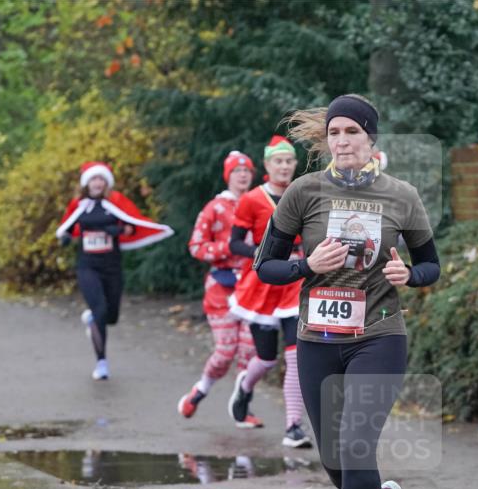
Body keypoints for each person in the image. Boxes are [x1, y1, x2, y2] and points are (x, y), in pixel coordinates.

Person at [254, 94, 440, 489]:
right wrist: (306, 266)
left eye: (352, 132)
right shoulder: (303, 192)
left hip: (378, 337)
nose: (342, 141)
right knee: (336, 462)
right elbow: (265, 265)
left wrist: (409, 274)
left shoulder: (401, 195)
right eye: (334, 132)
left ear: (370, 138)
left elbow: (431, 264)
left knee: (357, 446)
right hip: (317, 340)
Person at [226, 136, 311, 448]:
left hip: (296, 279)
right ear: (267, 165)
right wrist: (261, 255)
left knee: (296, 354)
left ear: (295, 164)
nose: (284, 166)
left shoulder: (304, 194)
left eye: (289, 161)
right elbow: (234, 243)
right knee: (266, 359)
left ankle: (293, 426)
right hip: (262, 282)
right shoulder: (252, 199)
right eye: (278, 161)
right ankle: (245, 386)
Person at [55, 161, 173, 380]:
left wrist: (116, 230)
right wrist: (65, 238)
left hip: (112, 266)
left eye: (101, 179)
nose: (97, 183)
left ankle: (92, 319)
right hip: (87, 266)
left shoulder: (116, 202)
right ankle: (101, 362)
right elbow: (68, 228)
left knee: (111, 316)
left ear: (106, 183)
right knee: (100, 310)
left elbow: (132, 226)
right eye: (93, 179)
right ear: (86, 183)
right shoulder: (79, 205)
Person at [178, 151, 258, 426]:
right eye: (237, 171)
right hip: (221, 288)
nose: (243, 175)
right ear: (228, 176)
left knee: (249, 352)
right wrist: (230, 247)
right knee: (225, 352)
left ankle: (242, 408)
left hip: (252, 287)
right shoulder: (215, 207)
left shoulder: (258, 203)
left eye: (247, 171)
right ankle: (200, 390)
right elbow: (196, 246)